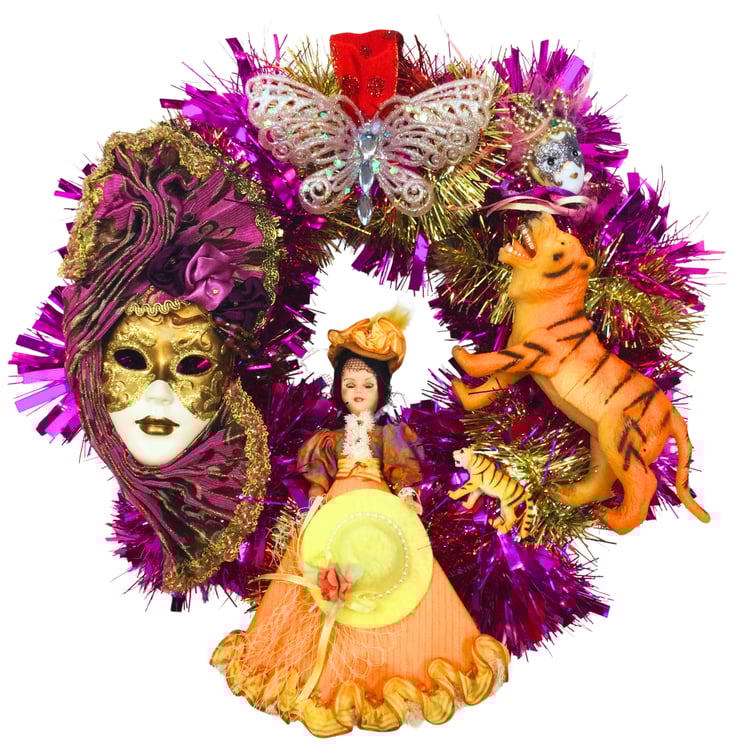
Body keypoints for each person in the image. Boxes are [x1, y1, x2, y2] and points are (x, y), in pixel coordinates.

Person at [211, 314, 509, 737]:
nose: (358, 392)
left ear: (381, 389)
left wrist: (407, 494)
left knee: (395, 573)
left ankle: (397, 662)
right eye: (350, 384)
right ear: (339, 388)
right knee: (320, 573)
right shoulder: (328, 439)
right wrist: (316, 497)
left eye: (367, 385)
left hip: (380, 510)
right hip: (337, 508)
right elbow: (317, 473)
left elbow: (402, 471)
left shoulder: (391, 435)